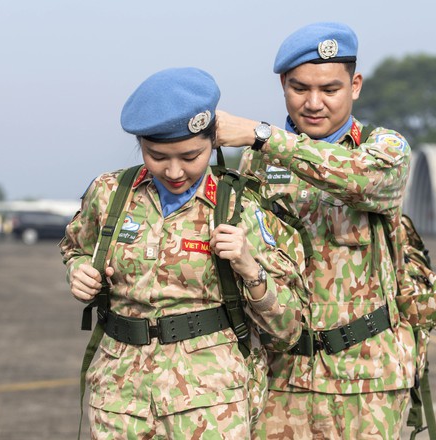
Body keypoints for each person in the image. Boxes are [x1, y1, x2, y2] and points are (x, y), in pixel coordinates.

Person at [59, 67, 307, 439]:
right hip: (119, 396)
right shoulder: (110, 194)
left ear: (214, 141)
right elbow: (75, 247)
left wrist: (249, 267)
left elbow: (288, 330)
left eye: (191, 156)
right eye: (156, 156)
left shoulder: (239, 205)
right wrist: (79, 272)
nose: (174, 171)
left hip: (209, 400)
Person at [216, 22, 416, 439]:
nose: (313, 103)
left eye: (329, 89)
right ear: (283, 86)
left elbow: (358, 180)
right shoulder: (257, 164)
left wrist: (262, 135)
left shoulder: (384, 150)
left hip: (368, 379)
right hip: (281, 378)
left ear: (355, 85)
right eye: (299, 88)